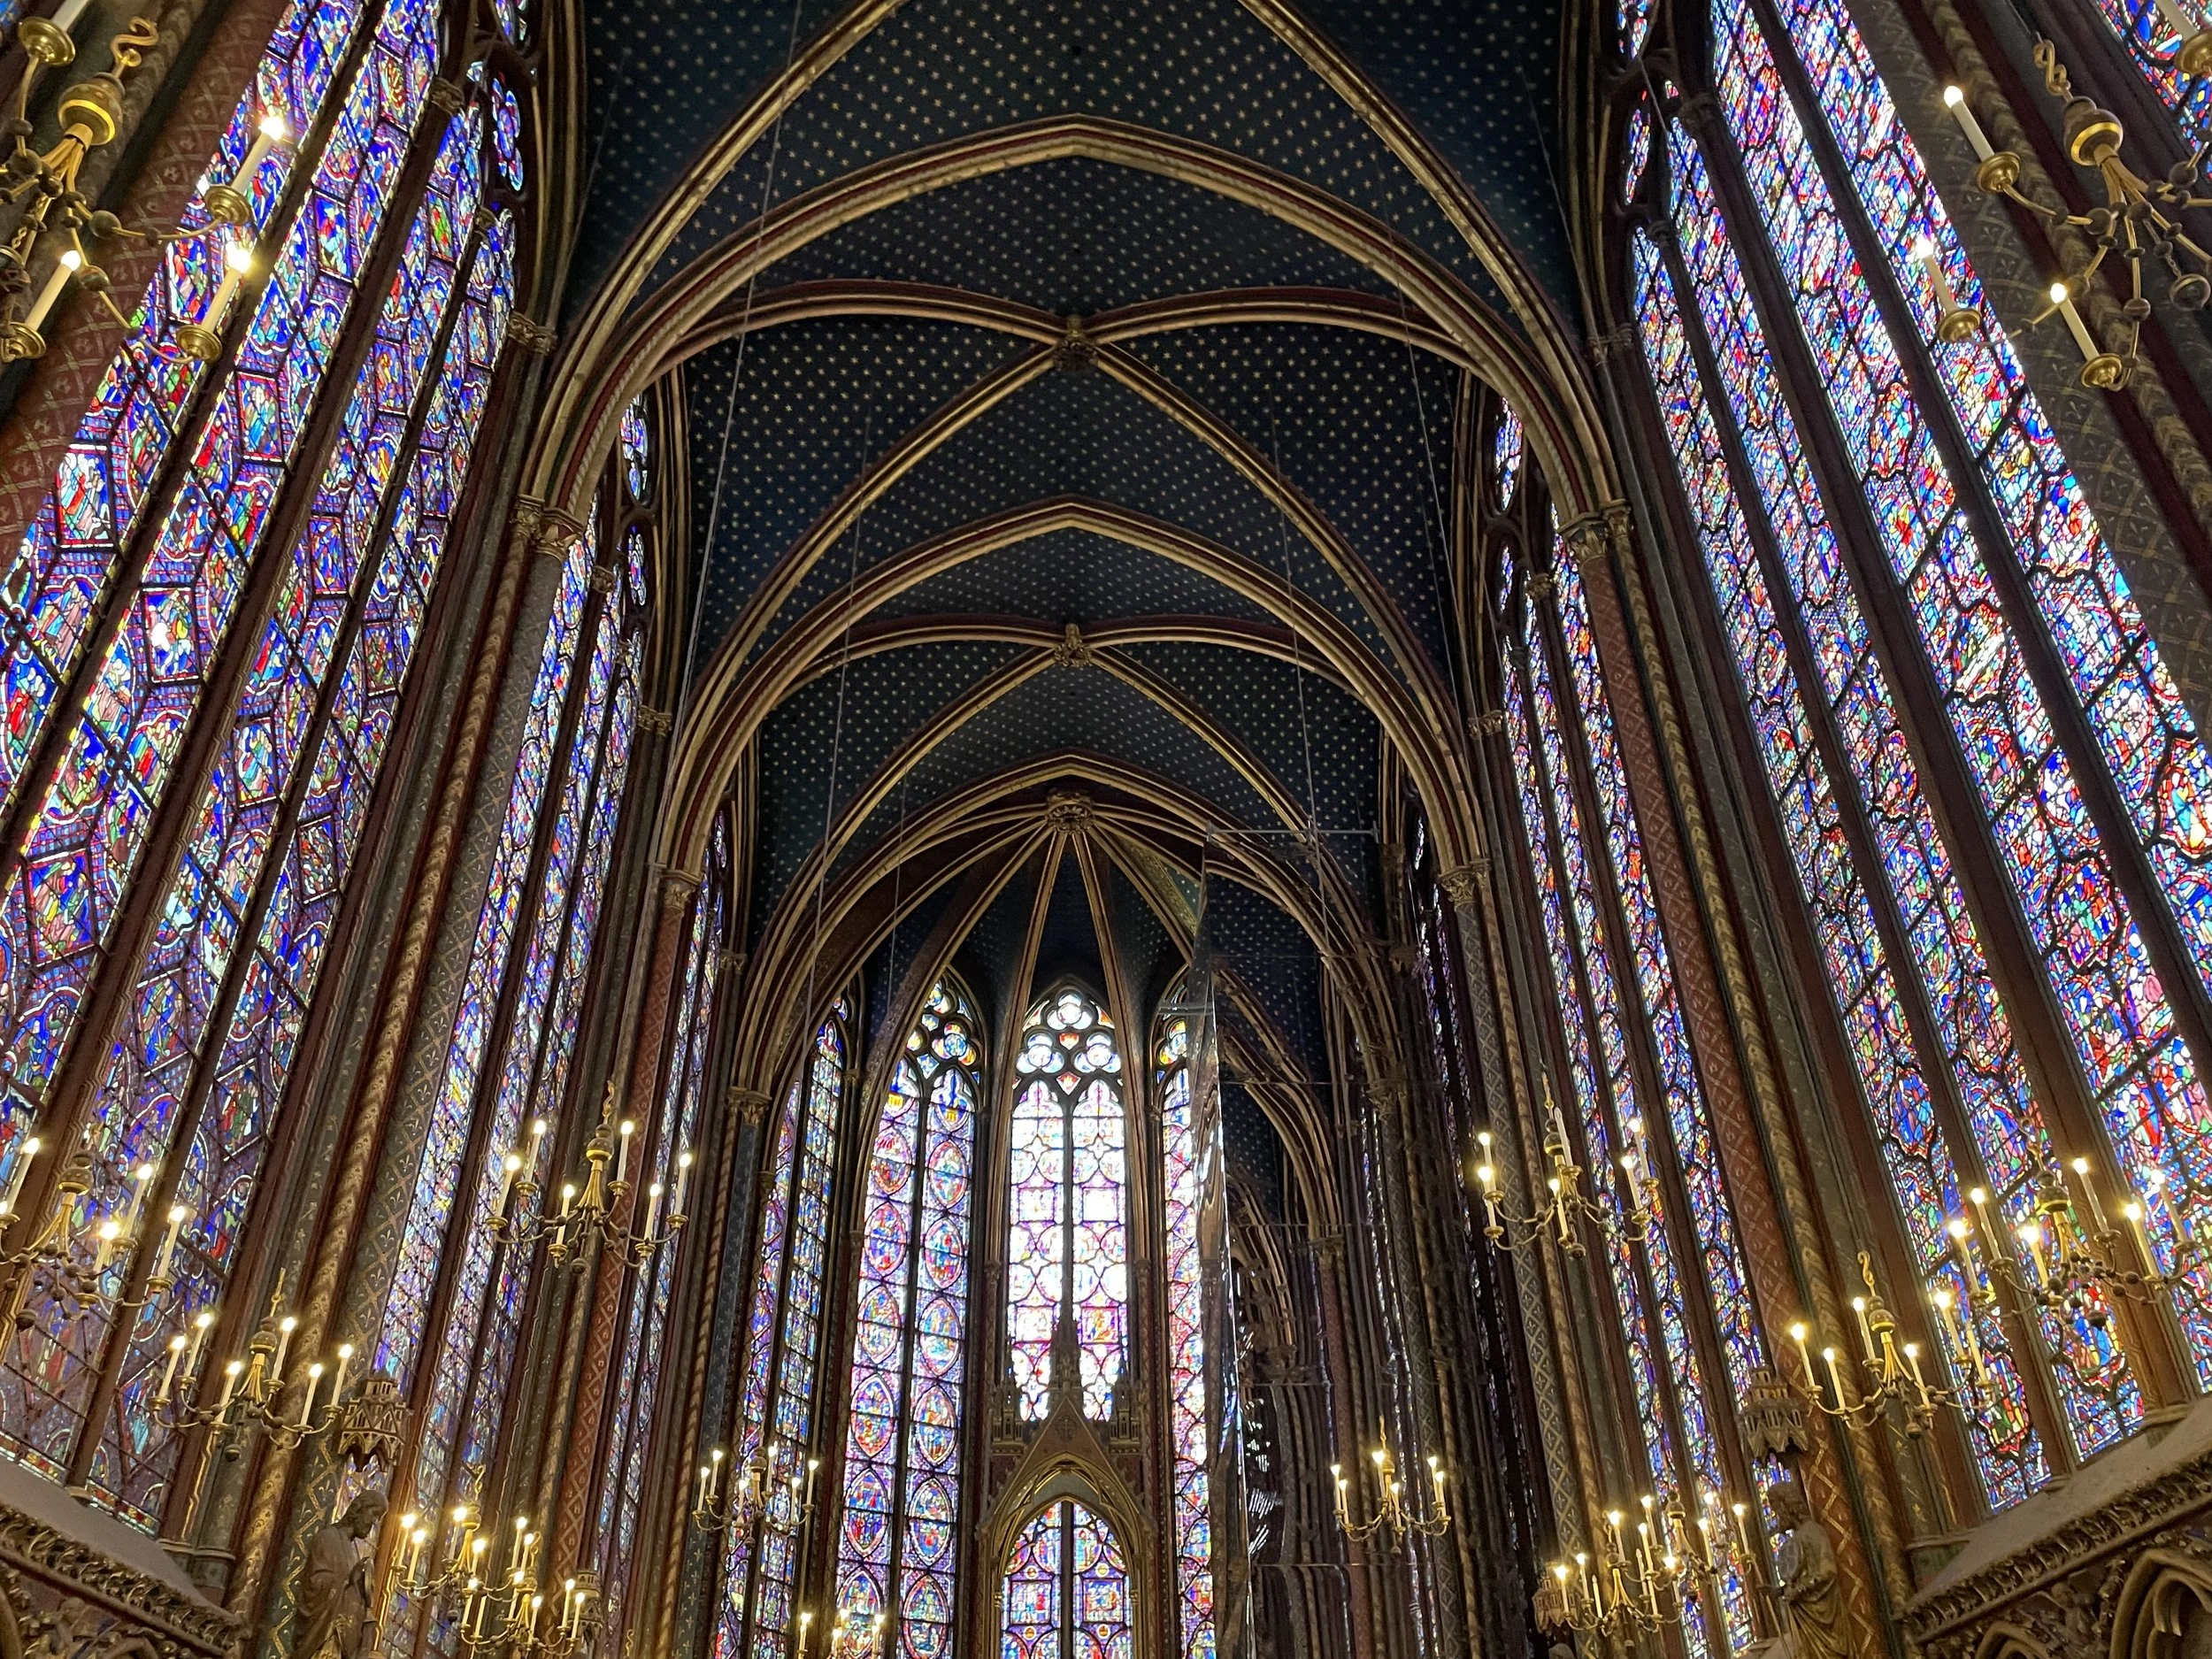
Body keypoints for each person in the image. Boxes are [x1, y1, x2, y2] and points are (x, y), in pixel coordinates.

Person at [297, 1490, 388, 1659]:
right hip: (326, 1636)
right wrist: (348, 1580)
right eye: (374, 1514)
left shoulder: (354, 1551)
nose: (374, 1522)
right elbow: (315, 1583)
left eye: (378, 1519)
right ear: (359, 1508)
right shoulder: (328, 1538)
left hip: (344, 1643)